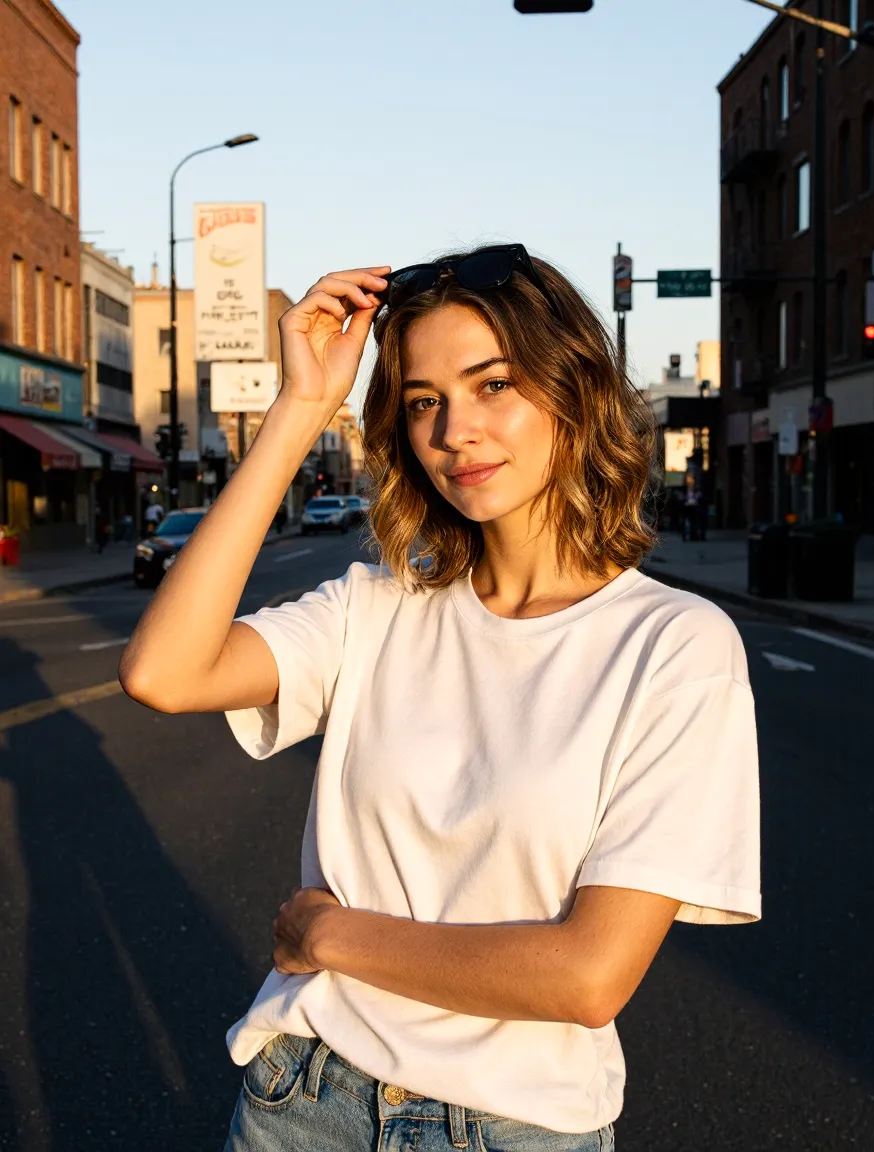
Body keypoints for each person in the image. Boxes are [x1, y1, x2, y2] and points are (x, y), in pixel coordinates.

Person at [120, 245, 761, 1151]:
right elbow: (163, 672)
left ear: (571, 391)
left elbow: (587, 977)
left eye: (493, 384)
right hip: (305, 1102)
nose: (454, 429)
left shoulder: (674, 644)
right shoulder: (376, 605)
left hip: (519, 1128)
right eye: (424, 401)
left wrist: (331, 936)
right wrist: (302, 408)